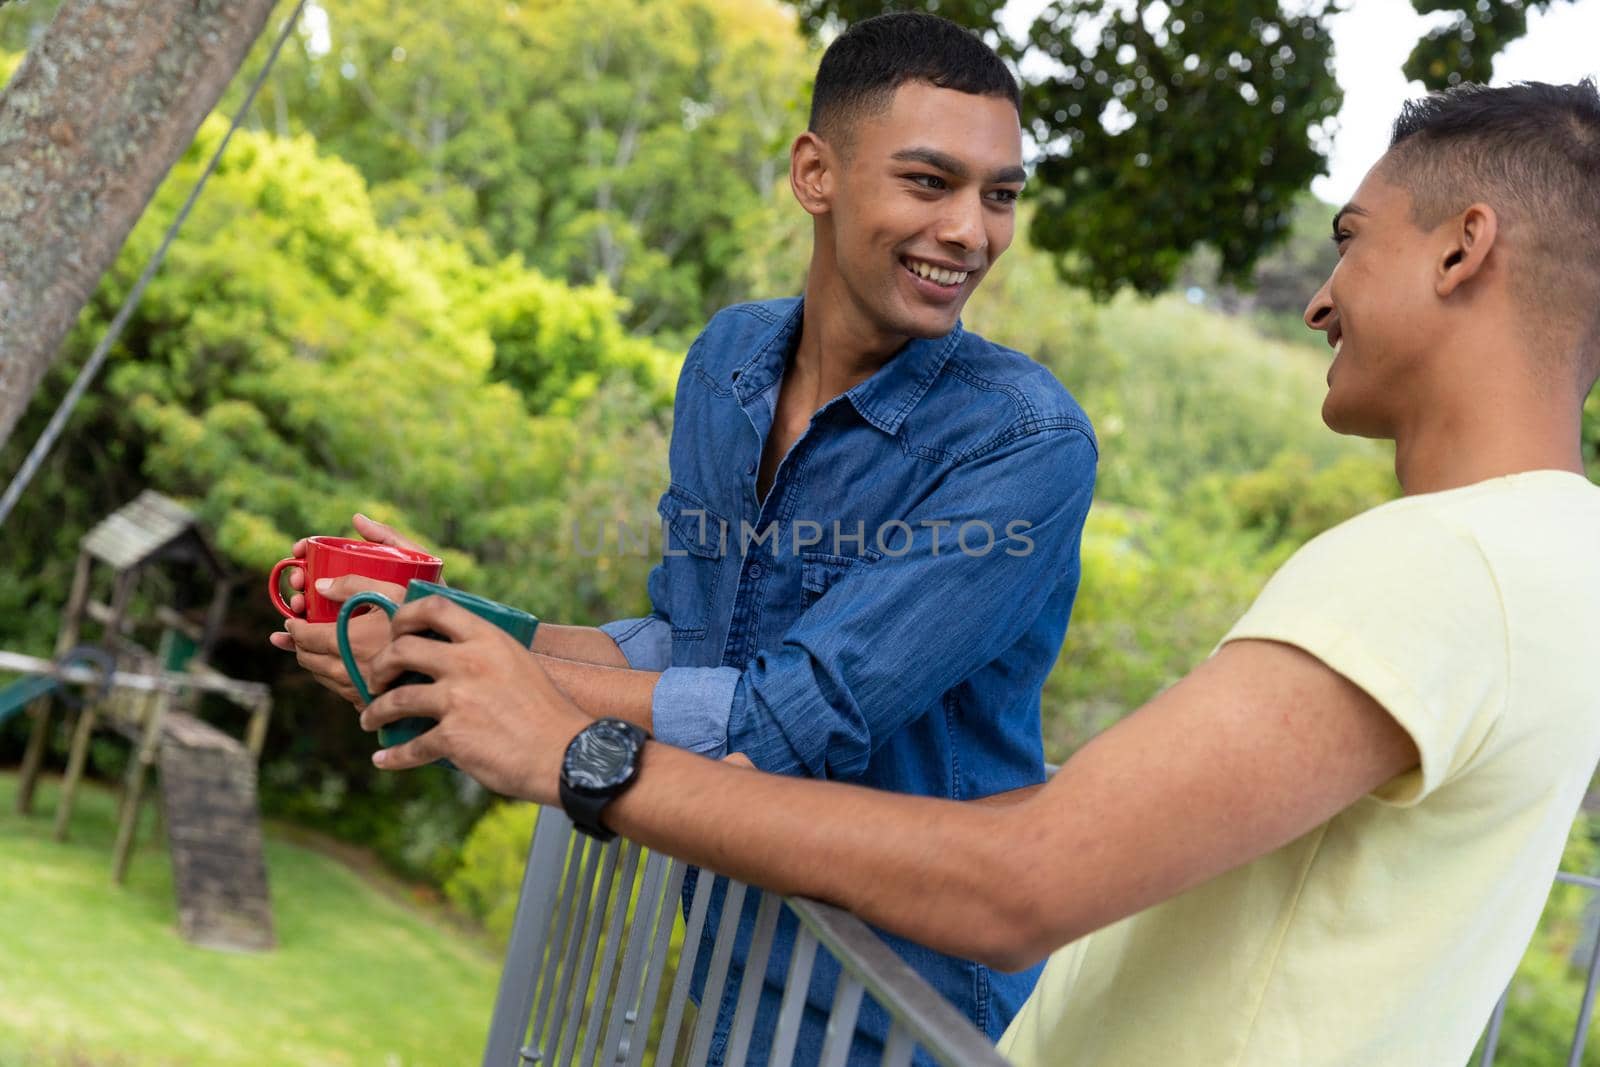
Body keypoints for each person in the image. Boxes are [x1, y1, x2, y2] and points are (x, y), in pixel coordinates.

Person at [347, 78, 1600, 1065]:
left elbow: (1023, 880)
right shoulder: (1559, 557)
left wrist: (578, 759)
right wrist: (473, 649)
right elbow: (1042, 820)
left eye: (1350, 240)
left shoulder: (1433, 566)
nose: (1318, 299)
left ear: (1461, 250)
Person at [272, 12, 1097, 1062]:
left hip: (899, 1005)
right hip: (728, 950)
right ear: (815, 172)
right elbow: (688, 640)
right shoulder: (728, 362)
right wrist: (447, 632)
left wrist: (507, 687)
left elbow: (793, 717)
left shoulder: (1025, 441)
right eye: (929, 183)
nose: (972, 231)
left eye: (1000, 194)